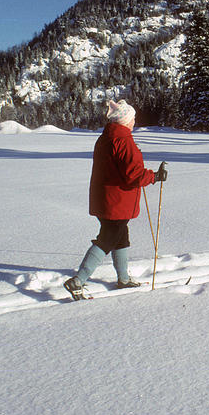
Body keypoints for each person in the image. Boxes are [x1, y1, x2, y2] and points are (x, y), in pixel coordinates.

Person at [64, 99, 167, 300]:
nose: (135, 121)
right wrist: (154, 177)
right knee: (108, 238)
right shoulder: (123, 140)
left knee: (120, 236)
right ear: (125, 120)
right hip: (117, 201)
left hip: (106, 198)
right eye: (133, 118)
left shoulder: (106, 138)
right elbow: (133, 175)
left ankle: (123, 278)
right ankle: (78, 281)